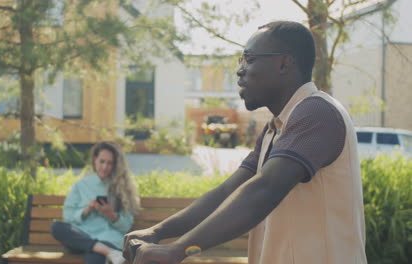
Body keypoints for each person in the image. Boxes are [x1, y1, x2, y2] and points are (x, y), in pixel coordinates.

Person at [122, 21, 367, 264]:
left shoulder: (316, 112)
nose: (240, 71)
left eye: (250, 59)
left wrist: (177, 250)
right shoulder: (276, 128)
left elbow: (265, 189)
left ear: (283, 63)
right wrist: (158, 232)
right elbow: (228, 192)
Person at [51, 141, 140, 264]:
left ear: (116, 165)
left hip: (109, 239)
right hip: (82, 238)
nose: (105, 167)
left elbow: (126, 226)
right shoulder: (81, 185)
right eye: (102, 161)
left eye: (110, 163)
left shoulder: (123, 189)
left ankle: (105, 250)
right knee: (56, 227)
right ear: (94, 160)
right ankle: (109, 252)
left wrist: (111, 214)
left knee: (95, 257)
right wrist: (87, 209)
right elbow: (68, 217)